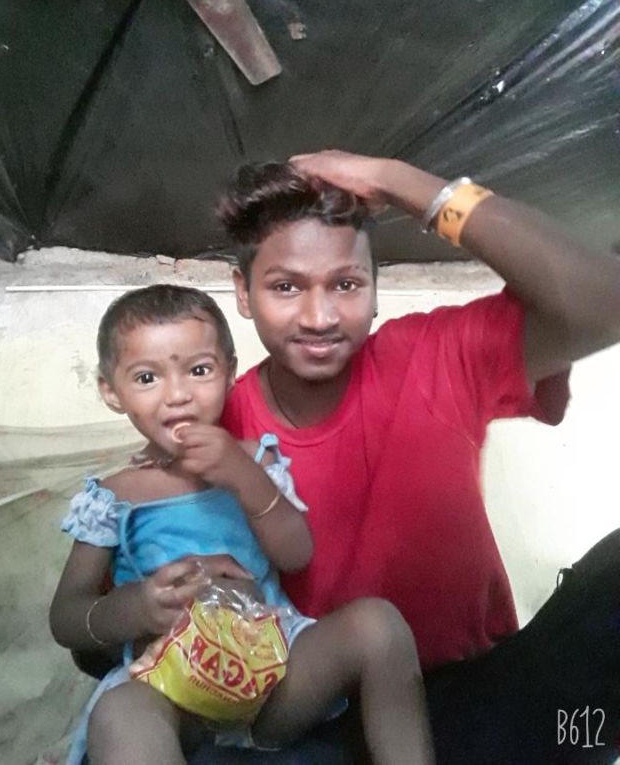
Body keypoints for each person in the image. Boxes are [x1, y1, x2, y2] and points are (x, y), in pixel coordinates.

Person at [209, 152, 620, 765]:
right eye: (286, 286)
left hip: (486, 698)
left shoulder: (433, 356)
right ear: (244, 292)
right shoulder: (217, 429)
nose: (319, 317)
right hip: (319, 725)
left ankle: (580, 746)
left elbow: (608, 302)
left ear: (376, 290)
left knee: (581, 706)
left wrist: (399, 182)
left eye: (346, 284)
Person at [49, 284, 435, 765]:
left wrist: (242, 475)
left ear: (230, 372)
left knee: (379, 625)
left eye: (199, 370)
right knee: (119, 714)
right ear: (111, 391)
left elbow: (296, 554)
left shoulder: (254, 460)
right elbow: (66, 617)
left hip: (275, 674)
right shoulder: (113, 497)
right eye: (147, 378)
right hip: (170, 685)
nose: (178, 395)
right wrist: (138, 607)